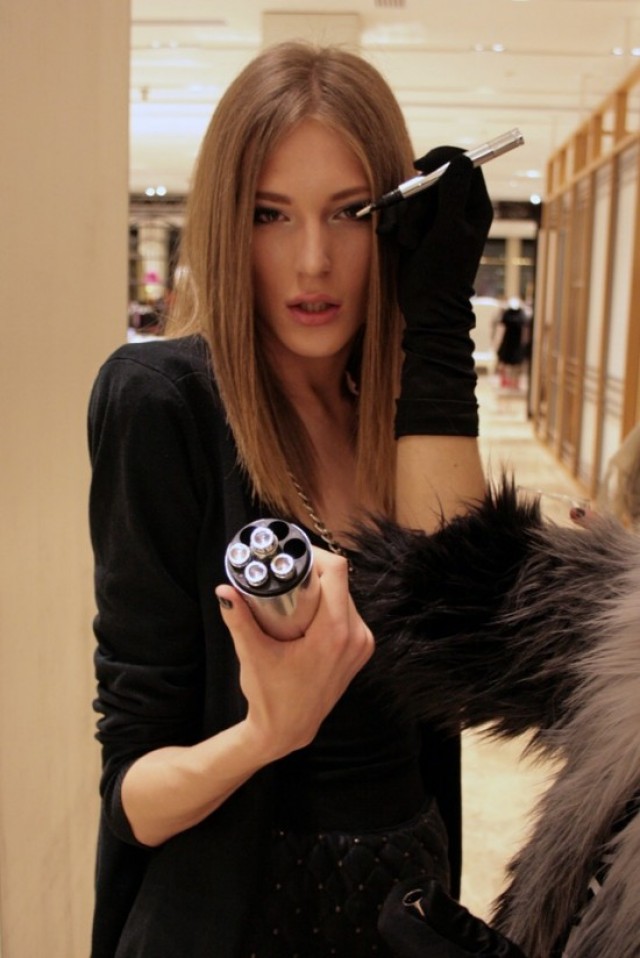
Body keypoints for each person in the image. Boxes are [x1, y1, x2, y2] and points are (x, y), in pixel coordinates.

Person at [88, 41, 491, 957]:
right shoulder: (164, 405)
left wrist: (436, 322)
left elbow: (462, 661)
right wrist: (270, 732)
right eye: (271, 215)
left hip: (406, 902)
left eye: (350, 212)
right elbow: (133, 797)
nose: (313, 260)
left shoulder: (392, 417)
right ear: (227, 228)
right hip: (246, 917)